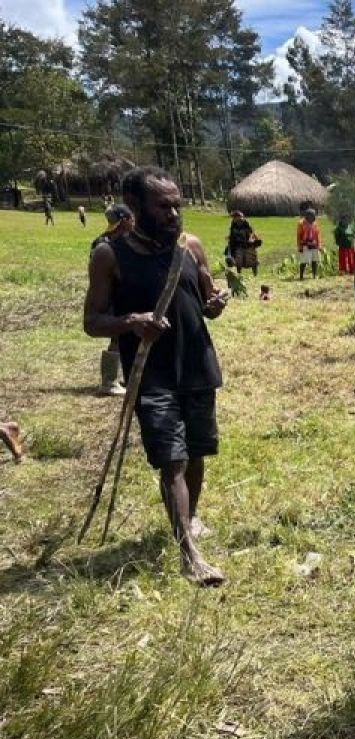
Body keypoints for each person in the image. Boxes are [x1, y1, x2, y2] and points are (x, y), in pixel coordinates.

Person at [82, 166, 229, 586]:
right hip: (150, 375)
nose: (174, 214)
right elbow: (92, 321)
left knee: (196, 451)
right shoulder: (110, 256)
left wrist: (217, 303)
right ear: (134, 205)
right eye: (163, 207)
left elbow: (208, 299)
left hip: (197, 364)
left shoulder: (190, 247)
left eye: (177, 206)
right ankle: (189, 554)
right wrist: (131, 321)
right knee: (172, 459)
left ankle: (190, 519)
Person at [92, 204, 136, 396]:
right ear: (125, 221)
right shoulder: (109, 244)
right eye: (131, 219)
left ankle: (127, 375)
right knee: (117, 336)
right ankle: (109, 381)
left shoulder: (103, 239)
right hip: (115, 295)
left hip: (120, 293)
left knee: (126, 336)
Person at [227, 211, 261, 276]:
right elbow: (232, 235)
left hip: (248, 244)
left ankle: (255, 273)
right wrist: (231, 240)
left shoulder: (246, 224)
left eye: (234, 217)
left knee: (251, 260)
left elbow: (251, 233)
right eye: (233, 217)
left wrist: (252, 240)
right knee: (238, 260)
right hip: (238, 245)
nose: (233, 219)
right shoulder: (233, 225)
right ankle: (238, 275)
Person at [296, 207, 322, 279]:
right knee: (304, 261)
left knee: (315, 260)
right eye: (311, 215)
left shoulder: (315, 224)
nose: (313, 216)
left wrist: (319, 245)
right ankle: (301, 276)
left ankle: (314, 275)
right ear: (307, 215)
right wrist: (300, 246)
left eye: (313, 215)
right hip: (305, 245)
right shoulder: (301, 223)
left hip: (314, 244)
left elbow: (318, 234)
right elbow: (299, 236)